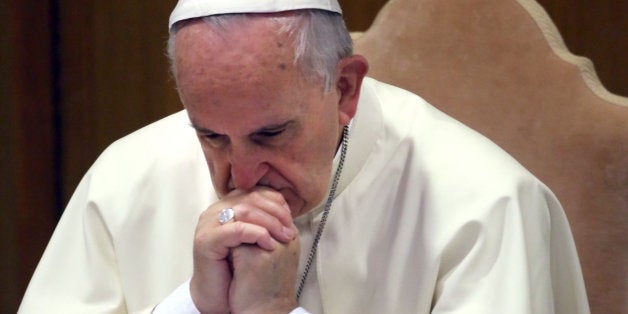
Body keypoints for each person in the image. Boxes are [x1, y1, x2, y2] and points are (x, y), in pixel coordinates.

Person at [19, 0, 590, 313]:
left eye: (270, 134)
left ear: (344, 89)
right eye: (210, 136)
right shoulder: (125, 179)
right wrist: (192, 309)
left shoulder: (485, 206)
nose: (238, 177)